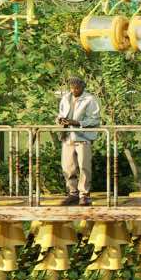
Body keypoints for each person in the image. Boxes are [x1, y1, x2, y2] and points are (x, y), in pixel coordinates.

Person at [56, 77, 102, 207]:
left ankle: (84, 195)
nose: (74, 90)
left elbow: (95, 120)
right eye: (72, 87)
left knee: (84, 167)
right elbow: (61, 113)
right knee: (68, 167)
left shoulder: (90, 99)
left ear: (83, 87)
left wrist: (77, 123)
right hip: (67, 136)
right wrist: (61, 120)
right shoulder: (65, 98)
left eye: (77, 88)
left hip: (83, 138)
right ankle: (73, 193)